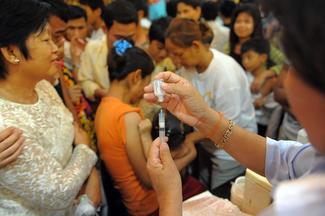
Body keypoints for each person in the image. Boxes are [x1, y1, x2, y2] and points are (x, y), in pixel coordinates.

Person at [144, 0, 325, 214]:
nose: (284, 82)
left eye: (291, 64)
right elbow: (283, 159)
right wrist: (206, 119)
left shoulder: (306, 207)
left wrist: (169, 197)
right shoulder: (315, 159)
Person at [0, 0, 98, 215]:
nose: (56, 49)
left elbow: (71, 126)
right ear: (11, 52)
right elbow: (58, 194)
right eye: (46, 39)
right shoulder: (7, 126)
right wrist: (84, 150)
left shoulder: (43, 85)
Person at [95, 40, 197, 215]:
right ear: (135, 77)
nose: (145, 92)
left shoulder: (103, 108)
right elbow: (150, 179)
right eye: (146, 83)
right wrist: (189, 156)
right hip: (149, 205)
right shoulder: (128, 117)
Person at [166, 18, 256, 190]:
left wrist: (190, 138)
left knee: (219, 194)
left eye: (178, 54)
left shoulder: (225, 75)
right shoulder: (189, 69)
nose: (175, 61)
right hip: (206, 143)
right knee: (204, 184)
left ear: (195, 46)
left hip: (230, 151)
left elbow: (229, 125)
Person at [78, 0, 138, 101]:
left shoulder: (139, 53)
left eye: (130, 37)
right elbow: (84, 80)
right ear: (105, 29)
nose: (124, 43)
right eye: (119, 37)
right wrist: (101, 93)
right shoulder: (92, 49)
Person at [225, 3, 284, 82]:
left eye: (247, 22)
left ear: (255, 24)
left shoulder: (264, 45)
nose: (242, 25)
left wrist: (266, 73)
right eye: (238, 21)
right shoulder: (228, 47)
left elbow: (286, 65)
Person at [241, 38, 279, 136]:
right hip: (246, 121)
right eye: (243, 58)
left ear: (263, 57)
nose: (245, 61)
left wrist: (264, 100)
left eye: (249, 57)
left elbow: (275, 106)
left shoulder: (271, 80)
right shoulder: (244, 75)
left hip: (262, 124)